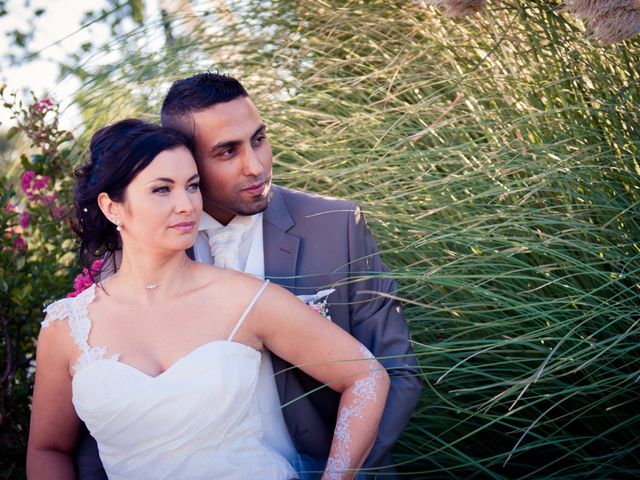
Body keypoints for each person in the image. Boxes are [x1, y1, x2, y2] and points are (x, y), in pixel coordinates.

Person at [26, 119, 390, 480]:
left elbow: (366, 376)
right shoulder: (67, 327)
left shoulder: (244, 297)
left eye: (192, 186)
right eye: (162, 190)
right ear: (112, 207)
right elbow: (48, 449)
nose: (186, 205)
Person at [160, 73, 422, 478]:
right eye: (228, 152)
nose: (256, 165)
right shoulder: (146, 249)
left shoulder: (336, 226)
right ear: (187, 162)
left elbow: (397, 372)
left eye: (259, 139)